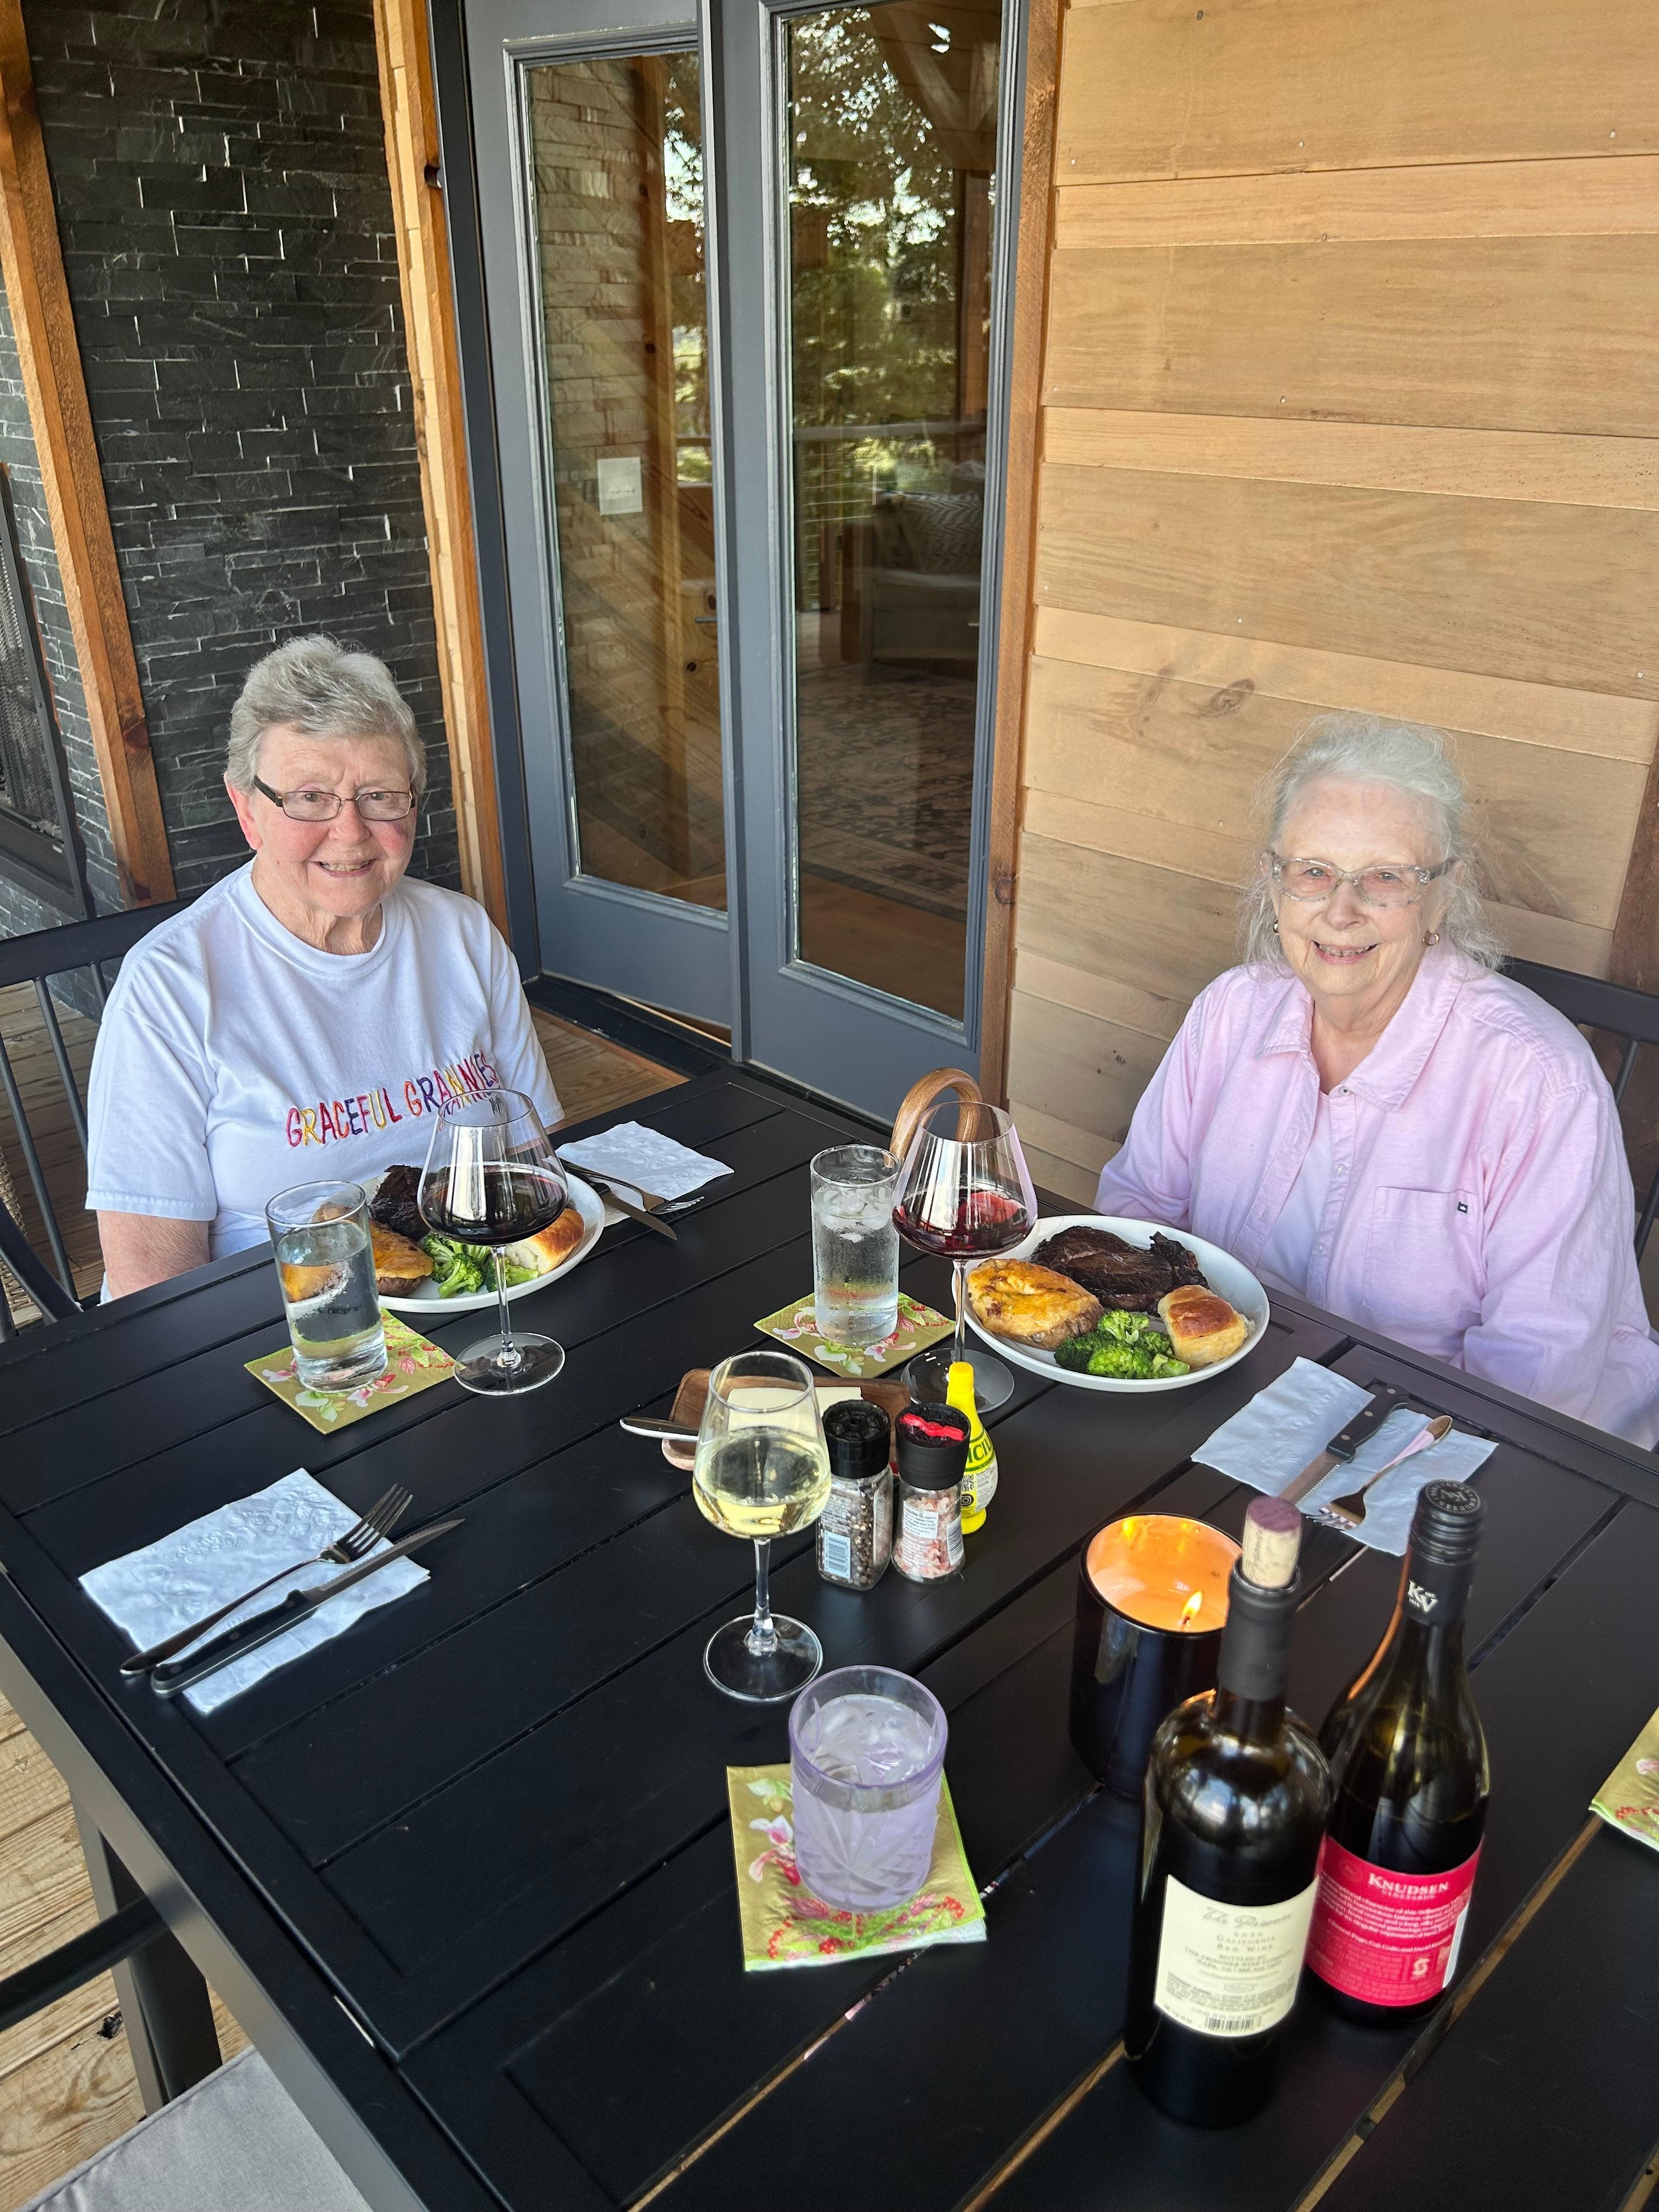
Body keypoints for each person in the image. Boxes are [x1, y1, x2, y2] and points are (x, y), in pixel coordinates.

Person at [1095, 714, 1659, 1447]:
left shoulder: (1539, 1081)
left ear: (1443, 895)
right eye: (1313, 871)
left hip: (1458, 1450)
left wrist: (1316, 1447)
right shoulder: (1232, 1012)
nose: (1341, 911)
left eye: (1386, 878)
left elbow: (1535, 1377)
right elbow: (1140, 1205)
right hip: (1224, 1397)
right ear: (1274, 884)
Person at [86, 636, 561, 1297]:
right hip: (301, 1332)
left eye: (380, 795)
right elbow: (152, 1282)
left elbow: (536, 1156)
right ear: (247, 811)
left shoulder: (463, 933)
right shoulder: (171, 986)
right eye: (310, 797)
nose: (350, 831)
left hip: (481, 1297)